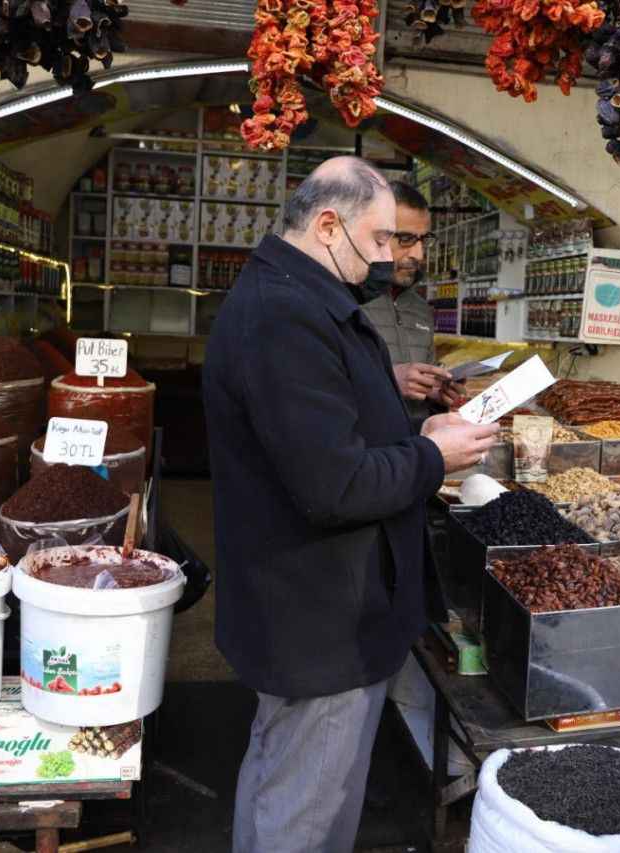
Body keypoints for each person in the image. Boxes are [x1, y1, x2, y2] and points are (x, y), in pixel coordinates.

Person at [202, 156, 499, 853]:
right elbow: (333, 485)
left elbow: (335, 427)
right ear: (329, 226)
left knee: (281, 778)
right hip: (320, 620)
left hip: (311, 609)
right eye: (381, 239)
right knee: (307, 811)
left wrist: (417, 431)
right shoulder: (285, 316)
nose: (390, 257)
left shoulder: (300, 297)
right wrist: (433, 458)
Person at [361, 181, 462, 421]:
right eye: (405, 239)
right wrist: (389, 380)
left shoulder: (421, 309)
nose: (418, 254)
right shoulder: (343, 300)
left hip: (415, 440)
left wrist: (434, 393)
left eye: (423, 240)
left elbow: (419, 395)